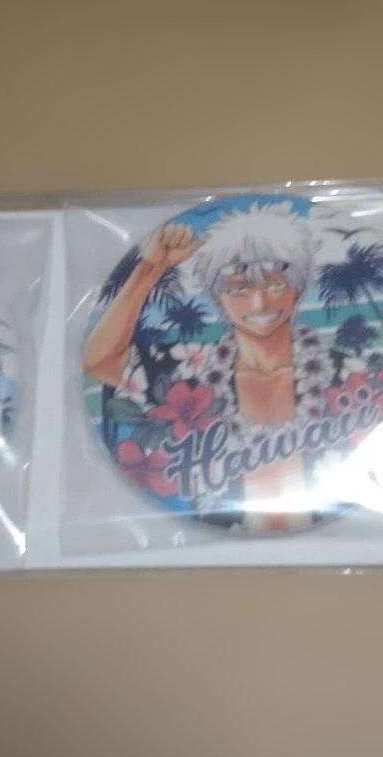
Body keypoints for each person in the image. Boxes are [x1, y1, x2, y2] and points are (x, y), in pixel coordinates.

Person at [84, 202, 337, 532]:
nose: (260, 303)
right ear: (219, 298)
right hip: (209, 550)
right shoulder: (191, 374)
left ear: (298, 288)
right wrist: (151, 267)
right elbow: (98, 360)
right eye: (240, 289)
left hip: (334, 542)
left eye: (275, 284)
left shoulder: (340, 371)